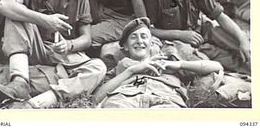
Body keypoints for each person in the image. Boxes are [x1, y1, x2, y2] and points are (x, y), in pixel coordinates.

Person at [94, 17, 223, 108]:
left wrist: (179, 65)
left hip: (166, 100)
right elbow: (96, 98)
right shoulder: (121, 67)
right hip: (124, 99)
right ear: (126, 47)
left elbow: (216, 67)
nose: (139, 41)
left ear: (151, 44)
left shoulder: (167, 61)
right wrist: (131, 71)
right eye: (133, 37)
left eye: (144, 37)